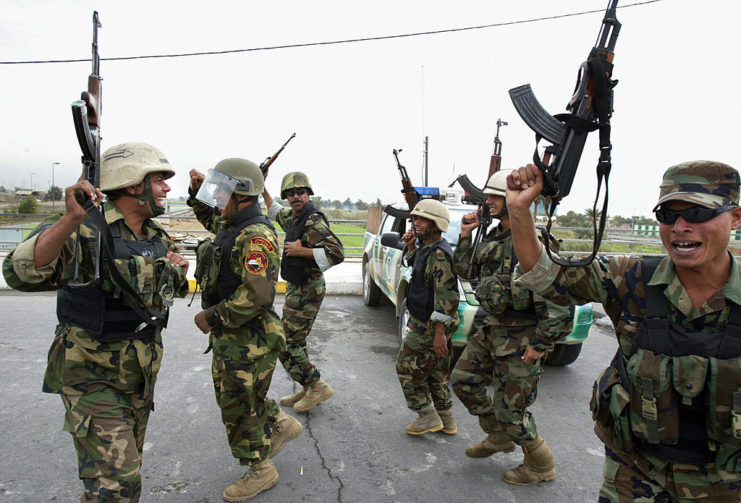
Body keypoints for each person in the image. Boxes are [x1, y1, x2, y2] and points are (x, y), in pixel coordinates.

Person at [507, 161, 741, 501]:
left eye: (698, 213)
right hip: (637, 473)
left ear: (735, 217)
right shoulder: (631, 278)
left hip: (727, 483)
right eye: (667, 215)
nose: (680, 227)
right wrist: (518, 209)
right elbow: (546, 275)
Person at [2, 142, 189, 502]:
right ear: (134, 185)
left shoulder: (155, 237)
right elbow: (20, 272)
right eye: (159, 179)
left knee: (122, 482)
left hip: (138, 379)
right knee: (116, 488)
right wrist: (70, 218)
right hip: (91, 378)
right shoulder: (86, 229)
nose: (167, 187)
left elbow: (162, 294)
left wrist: (173, 270)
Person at [188, 159, 303, 502]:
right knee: (242, 395)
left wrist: (213, 317)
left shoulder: (257, 235)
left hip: (248, 337)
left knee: (237, 405)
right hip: (236, 336)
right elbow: (212, 220)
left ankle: (261, 469)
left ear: (239, 193)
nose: (216, 198)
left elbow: (258, 294)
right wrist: (197, 195)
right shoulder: (233, 223)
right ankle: (282, 424)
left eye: (220, 191)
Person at [450, 170, 574, 486]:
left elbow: (558, 298)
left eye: (494, 197)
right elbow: (465, 270)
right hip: (492, 327)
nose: (487, 203)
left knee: (512, 411)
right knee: (463, 380)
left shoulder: (535, 241)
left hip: (523, 335)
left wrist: (542, 343)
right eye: (486, 198)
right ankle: (499, 436)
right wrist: (466, 235)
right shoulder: (489, 236)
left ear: (511, 201)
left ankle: (540, 463)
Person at [262, 171, 345, 412]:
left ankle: (316, 384)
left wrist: (302, 252)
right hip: (297, 287)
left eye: (301, 192)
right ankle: (308, 387)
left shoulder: (312, 221)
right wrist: (261, 186)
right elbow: (274, 210)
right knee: (297, 341)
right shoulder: (295, 217)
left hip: (308, 289)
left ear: (308, 193)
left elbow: (337, 253)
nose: (296, 196)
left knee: (286, 342)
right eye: (291, 193)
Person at [395, 199, 460, 435]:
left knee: (405, 367)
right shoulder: (428, 247)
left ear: (436, 223)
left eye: (423, 219)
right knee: (435, 372)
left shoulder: (439, 253)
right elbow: (420, 270)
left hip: (430, 325)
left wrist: (439, 333)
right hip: (429, 322)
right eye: (416, 219)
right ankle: (447, 420)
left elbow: (448, 296)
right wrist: (411, 246)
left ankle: (426, 415)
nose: (417, 223)